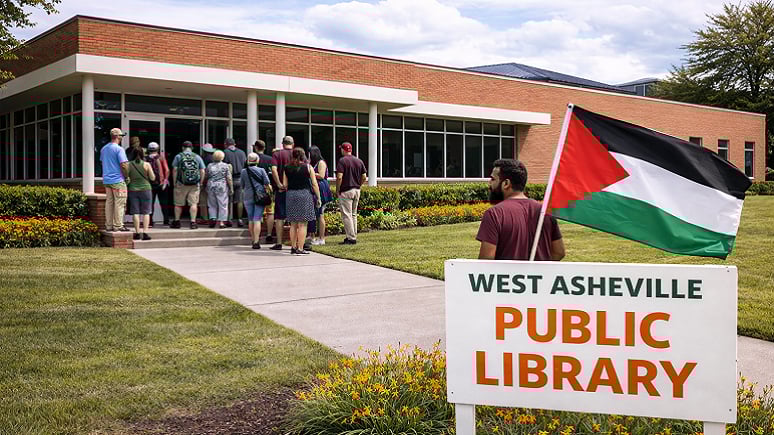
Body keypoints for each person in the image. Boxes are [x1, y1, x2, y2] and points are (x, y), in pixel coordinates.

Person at [476, 159, 565, 261]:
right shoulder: (544, 212)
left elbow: (486, 259)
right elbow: (559, 252)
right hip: (539, 276)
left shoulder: (494, 214)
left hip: (506, 276)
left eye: (493, 179)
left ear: (506, 183)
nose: (489, 183)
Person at [283, 147, 321, 255]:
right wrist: (318, 197)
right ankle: (300, 248)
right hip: (304, 195)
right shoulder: (308, 167)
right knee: (303, 224)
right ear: (303, 155)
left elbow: (285, 185)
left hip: (291, 194)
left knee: (293, 223)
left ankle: (293, 247)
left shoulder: (286, 167)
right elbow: (314, 184)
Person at [335, 142, 367, 245]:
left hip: (346, 191)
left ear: (343, 150)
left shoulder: (342, 161)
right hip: (357, 190)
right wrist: (359, 185)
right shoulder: (359, 161)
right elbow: (364, 177)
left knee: (346, 215)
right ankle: (353, 235)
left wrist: (337, 189)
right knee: (353, 214)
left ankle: (351, 238)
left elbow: (339, 176)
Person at [100, 128, 130, 232]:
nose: (121, 137)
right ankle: (118, 225)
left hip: (107, 180)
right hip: (118, 180)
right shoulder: (119, 149)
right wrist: (126, 177)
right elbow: (124, 165)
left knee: (109, 203)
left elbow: (102, 162)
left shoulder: (104, 149)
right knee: (120, 203)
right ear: (117, 137)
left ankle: (109, 225)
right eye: (121, 135)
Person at [170, 140, 206, 229]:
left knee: (178, 204)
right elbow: (202, 170)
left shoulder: (178, 156)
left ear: (182, 147)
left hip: (181, 183)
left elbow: (175, 169)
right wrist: (201, 182)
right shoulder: (197, 157)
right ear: (192, 148)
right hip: (194, 184)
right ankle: (193, 223)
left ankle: (177, 222)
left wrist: (174, 182)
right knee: (193, 203)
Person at [241, 152, 272, 249]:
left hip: (247, 196)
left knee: (250, 219)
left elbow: (242, 185)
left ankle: (253, 239)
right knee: (257, 219)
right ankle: (256, 241)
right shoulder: (262, 170)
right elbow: (267, 183)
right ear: (257, 160)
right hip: (260, 196)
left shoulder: (243, 171)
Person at [269, 135, 295, 250]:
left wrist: (279, 183)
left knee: (279, 217)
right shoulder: (297, 154)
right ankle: (295, 243)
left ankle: (279, 243)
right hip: (295, 189)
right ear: (292, 144)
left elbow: (273, 169)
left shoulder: (277, 154)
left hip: (281, 190)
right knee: (295, 217)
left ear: (282, 143)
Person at [126, 147, 156, 240]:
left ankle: (137, 232)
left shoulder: (129, 164)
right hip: (146, 190)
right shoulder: (147, 164)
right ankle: (145, 233)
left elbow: (126, 178)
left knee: (136, 212)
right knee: (146, 212)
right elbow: (153, 178)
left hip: (133, 190)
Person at [309, 145, 334, 245]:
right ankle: (312, 237)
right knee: (314, 214)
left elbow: (322, 175)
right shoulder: (313, 163)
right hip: (315, 189)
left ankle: (321, 238)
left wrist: (310, 172)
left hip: (321, 188)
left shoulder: (321, 163)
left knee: (320, 214)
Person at [203, 150, 233, 229]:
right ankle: (222, 222)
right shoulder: (225, 166)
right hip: (221, 186)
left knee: (211, 203)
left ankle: (213, 218)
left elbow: (206, 176)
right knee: (223, 204)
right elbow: (229, 178)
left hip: (211, 185)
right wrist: (231, 188)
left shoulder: (209, 165)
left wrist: (204, 184)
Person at [223, 138, 247, 228]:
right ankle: (239, 219)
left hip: (229, 178)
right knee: (240, 200)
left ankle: (229, 219)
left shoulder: (225, 152)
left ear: (226, 144)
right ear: (235, 144)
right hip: (240, 178)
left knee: (229, 200)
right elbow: (245, 165)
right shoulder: (242, 152)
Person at [254, 140, 275, 243]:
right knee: (270, 212)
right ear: (264, 147)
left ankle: (257, 235)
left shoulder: (252, 159)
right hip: (268, 188)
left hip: (255, 189)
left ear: (255, 147)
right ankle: (269, 234)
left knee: (257, 211)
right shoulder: (270, 159)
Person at [145, 142, 169, 228]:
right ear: (157, 149)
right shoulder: (161, 158)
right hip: (161, 184)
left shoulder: (145, 159)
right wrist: (165, 181)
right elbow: (167, 170)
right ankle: (166, 220)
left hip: (149, 184)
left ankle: (150, 222)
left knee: (150, 204)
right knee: (164, 203)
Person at [198, 143, 216, 224]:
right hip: (214, 182)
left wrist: (201, 182)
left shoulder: (204, 159)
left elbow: (203, 172)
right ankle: (213, 217)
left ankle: (204, 218)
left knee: (203, 200)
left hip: (206, 182)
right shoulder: (214, 159)